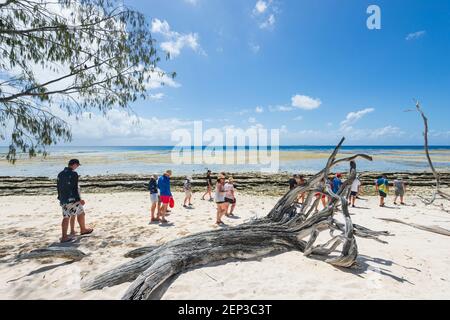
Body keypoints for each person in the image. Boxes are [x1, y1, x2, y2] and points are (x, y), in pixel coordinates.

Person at [57, 159, 93, 243]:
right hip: (73, 199)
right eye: (77, 165)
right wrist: (79, 199)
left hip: (64, 199)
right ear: (74, 164)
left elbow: (58, 187)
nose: (77, 167)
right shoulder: (73, 174)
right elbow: (75, 188)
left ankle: (64, 236)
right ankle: (82, 230)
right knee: (80, 213)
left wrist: (60, 197)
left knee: (67, 216)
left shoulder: (60, 174)